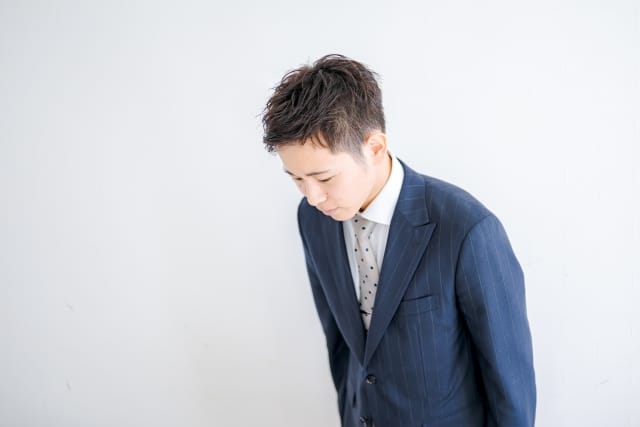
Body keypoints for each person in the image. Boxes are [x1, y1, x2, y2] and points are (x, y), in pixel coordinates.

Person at [261, 54, 536, 427]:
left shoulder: (468, 229)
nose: (312, 196)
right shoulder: (312, 219)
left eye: (324, 178)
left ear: (374, 147)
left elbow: (510, 385)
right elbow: (341, 346)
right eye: (296, 179)